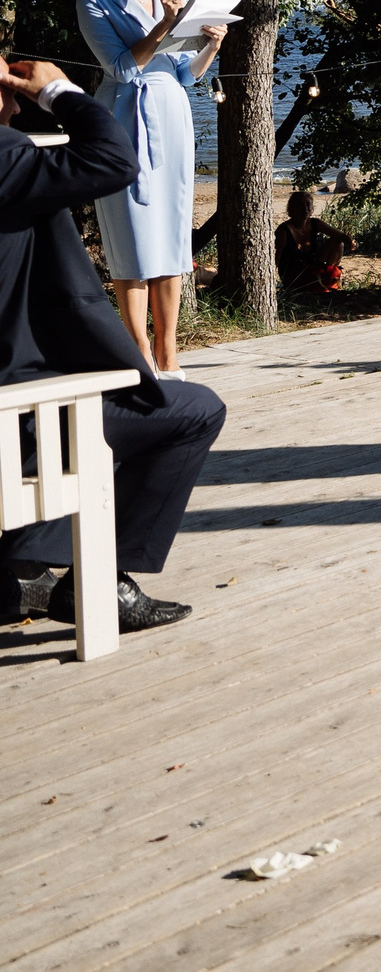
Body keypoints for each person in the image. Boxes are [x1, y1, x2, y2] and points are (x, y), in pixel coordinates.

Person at [0, 57, 226, 632]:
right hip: (14, 417)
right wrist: (59, 92)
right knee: (194, 409)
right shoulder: (5, 161)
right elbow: (114, 158)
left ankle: (21, 569)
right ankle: (99, 580)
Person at [72, 0, 226, 378]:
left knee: (173, 236)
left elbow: (184, 73)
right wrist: (165, 24)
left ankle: (169, 352)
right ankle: (139, 351)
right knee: (133, 235)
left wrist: (210, 45)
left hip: (172, 115)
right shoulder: (94, 0)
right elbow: (121, 67)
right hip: (125, 118)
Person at [274, 190, 351, 292]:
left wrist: (351, 242)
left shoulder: (315, 223)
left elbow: (340, 236)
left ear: (312, 208)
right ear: (292, 208)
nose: (305, 208)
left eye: (308, 205)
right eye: (300, 205)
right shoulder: (284, 230)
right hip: (293, 273)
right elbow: (276, 258)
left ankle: (328, 277)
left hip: (313, 268)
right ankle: (323, 281)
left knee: (337, 243)